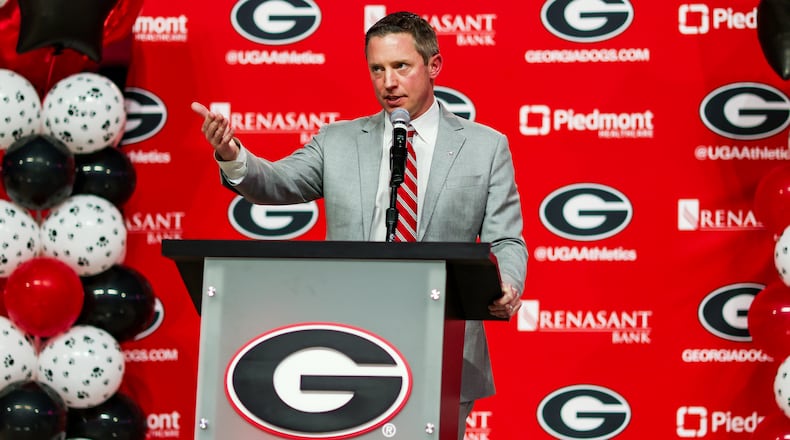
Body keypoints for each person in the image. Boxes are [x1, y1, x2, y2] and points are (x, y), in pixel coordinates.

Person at [192, 11, 527, 439]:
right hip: (348, 342)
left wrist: (508, 283)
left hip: (445, 344)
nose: (388, 82)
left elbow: (506, 238)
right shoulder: (337, 141)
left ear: (434, 66)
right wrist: (232, 154)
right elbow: (275, 183)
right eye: (377, 69)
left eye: (401, 66)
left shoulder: (485, 147)